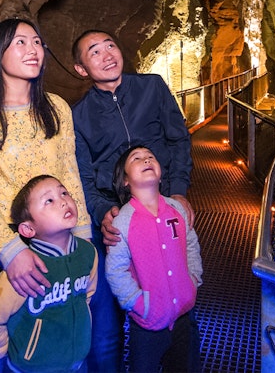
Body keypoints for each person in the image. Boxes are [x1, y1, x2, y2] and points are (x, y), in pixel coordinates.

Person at [0, 18, 94, 372]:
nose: (32, 49)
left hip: (62, 244)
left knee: (62, 338)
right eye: (20, 42)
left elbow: (69, 174)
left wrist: (82, 237)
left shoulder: (56, 108)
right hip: (6, 251)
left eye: (37, 42)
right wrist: (12, 250)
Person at [70, 29, 195, 371]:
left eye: (110, 45)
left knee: (175, 289)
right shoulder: (78, 116)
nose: (107, 54)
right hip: (116, 219)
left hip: (162, 206)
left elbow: (178, 139)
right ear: (82, 68)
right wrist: (100, 212)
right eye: (94, 52)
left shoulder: (151, 87)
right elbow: (82, 173)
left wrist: (180, 190)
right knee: (111, 312)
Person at [0, 175, 98, 373]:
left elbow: (86, 296)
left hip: (77, 365)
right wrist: (17, 355)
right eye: (49, 201)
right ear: (28, 228)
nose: (63, 200)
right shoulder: (25, 270)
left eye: (64, 192)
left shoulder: (88, 252)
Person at [106, 146, 203, 373]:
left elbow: (191, 244)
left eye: (151, 156)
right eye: (136, 158)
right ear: (125, 180)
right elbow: (115, 270)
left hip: (183, 315)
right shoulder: (123, 221)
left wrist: (193, 279)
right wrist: (138, 303)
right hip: (147, 323)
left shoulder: (177, 209)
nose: (146, 159)